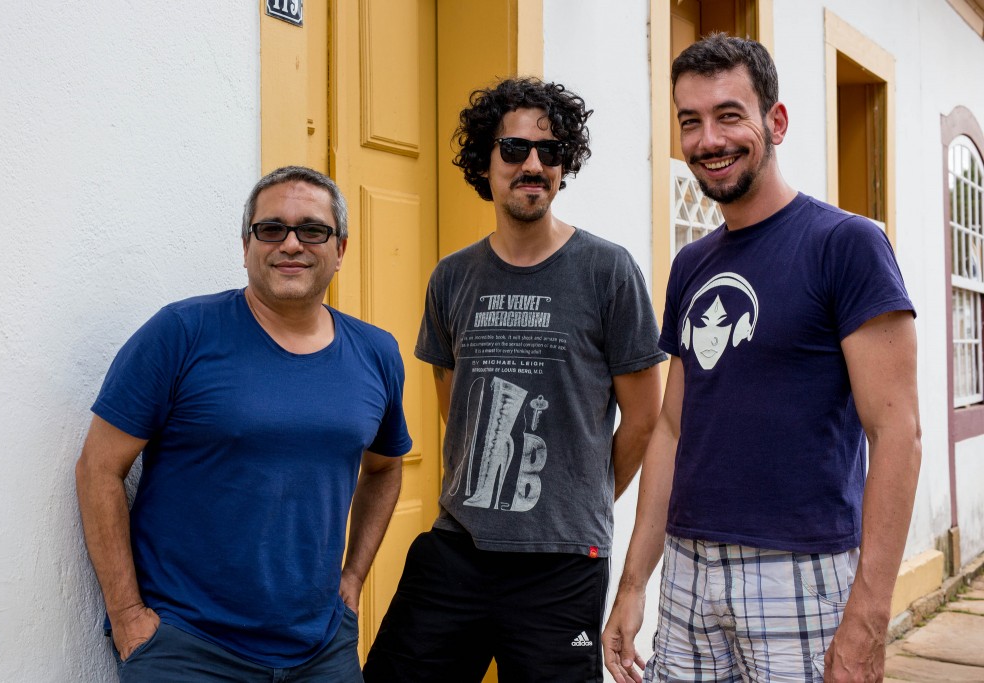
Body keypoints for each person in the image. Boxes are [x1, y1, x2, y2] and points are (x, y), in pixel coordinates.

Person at [601, 33, 921, 683]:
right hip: (689, 571)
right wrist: (634, 582)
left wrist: (867, 618)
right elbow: (669, 428)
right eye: (690, 120)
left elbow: (899, 434)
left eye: (728, 114)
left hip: (798, 571)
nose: (707, 139)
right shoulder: (692, 264)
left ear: (775, 121)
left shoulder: (847, 244)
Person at [363, 77, 666, 683]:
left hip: (562, 563)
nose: (533, 165)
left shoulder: (609, 271)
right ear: (485, 161)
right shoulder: (452, 278)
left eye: (549, 152)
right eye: (514, 150)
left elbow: (644, 419)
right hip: (457, 547)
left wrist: (581, 494)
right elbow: (457, 404)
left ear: (563, 166)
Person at [74, 166, 411, 682]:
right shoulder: (182, 334)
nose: (291, 244)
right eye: (271, 228)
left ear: (340, 249)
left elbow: (386, 468)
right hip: (190, 649)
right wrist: (127, 618)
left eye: (312, 230)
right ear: (247, 245)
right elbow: (98, 468)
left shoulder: (376, 352)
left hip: (322, 652)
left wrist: (354, 577)